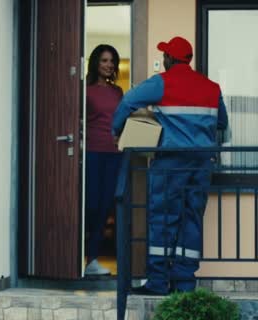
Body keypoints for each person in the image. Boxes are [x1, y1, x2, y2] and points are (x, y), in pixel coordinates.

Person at [111, 36, 228, 293]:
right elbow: (224, 128)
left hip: (170, 163)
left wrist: (117, 131)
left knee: (163, 218)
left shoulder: (161, 83)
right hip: (201, 165)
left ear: (170, 59)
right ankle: (185, 282)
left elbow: (127, 102)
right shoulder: (212, 87)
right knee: (191, 218)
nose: (163, 59)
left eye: (164, 55)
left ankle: (157, 282)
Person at [84, 44, 123, 276]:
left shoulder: (118, 92)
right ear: (96, 63)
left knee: (105, 207)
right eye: (104, 61)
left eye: (112, 62)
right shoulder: (85, 90)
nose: (109, 65)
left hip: (114, 153)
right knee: (90, 205)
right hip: (92, 153)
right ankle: (76, 257)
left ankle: (93, 260)